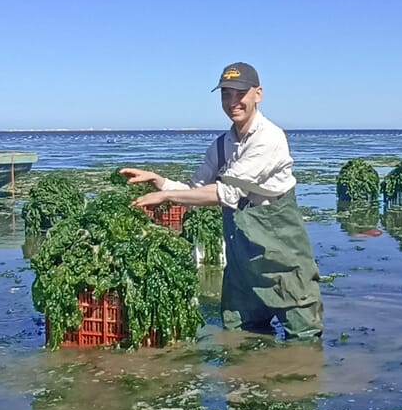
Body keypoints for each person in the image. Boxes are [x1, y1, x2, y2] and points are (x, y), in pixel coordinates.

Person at [120, 62, 323, 340]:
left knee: (304, 340)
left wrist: (167, 196)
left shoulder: (269, 139)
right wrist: (160, 181)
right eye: (225, 94)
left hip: (282, 259)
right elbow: (195, 190)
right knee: (240, 338)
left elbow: (226, 193)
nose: (232, 102)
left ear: (258, 94)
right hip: (241, 265)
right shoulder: (221, 145)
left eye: (240, 93)